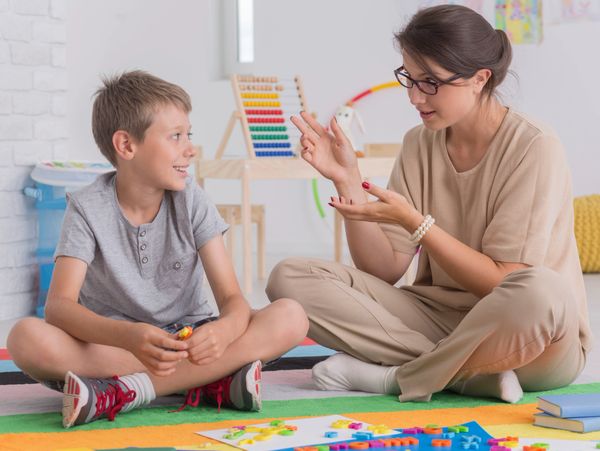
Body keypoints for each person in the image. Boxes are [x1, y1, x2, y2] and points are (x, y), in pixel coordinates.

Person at [266, 5, 592, 403]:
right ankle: (464, 376)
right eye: (409, 78)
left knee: (542, 290)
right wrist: (348, 179)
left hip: (530, 338)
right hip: (439, 321)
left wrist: (417, 224)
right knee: (290, 277)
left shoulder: (534, 146)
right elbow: (384, 269)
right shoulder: (418, 143)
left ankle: (395, 377)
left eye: (430, 83)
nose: (414, 96)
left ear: (479, 78)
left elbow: (500, 282)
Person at [7, 71, 308, 428]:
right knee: (25, 338)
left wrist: (225, 331)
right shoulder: (87, 208)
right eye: (176, 136)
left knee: (291, 316)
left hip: (190, 340)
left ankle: (125, 391)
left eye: (188, 134)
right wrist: (128, 337)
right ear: (126, 146)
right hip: (116, 346)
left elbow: (232, 299)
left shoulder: (192, 200)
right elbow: (59, 308)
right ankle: (211, 381)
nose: (190, 148)